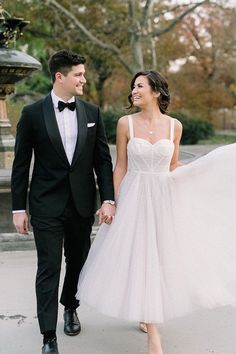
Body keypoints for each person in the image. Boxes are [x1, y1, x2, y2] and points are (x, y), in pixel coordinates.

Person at [77, 70, 236, 354]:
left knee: (158, 259)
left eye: (139, 86)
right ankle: (154, 335)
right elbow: (121, 166)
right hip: (135, 198)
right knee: (140, 257)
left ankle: (146, 312)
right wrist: (111, 201)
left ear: (156, 92)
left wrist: (199, 173)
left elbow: (173, 165)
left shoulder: (175, 126)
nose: (133, 91)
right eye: (132, 87)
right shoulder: (126, 124)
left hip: (164, 199)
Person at [11, 49, 115, 354]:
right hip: (45, 205)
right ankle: (48, 336)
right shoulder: (31, 114)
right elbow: (20, 165)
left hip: (83, 204)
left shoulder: (92, 113)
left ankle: (70, 305)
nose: (83, 79)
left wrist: (107, 198)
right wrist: (19, 208)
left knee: (78, 262)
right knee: (48, 267)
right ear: (60, 77)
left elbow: (103, 161)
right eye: (78, 74)